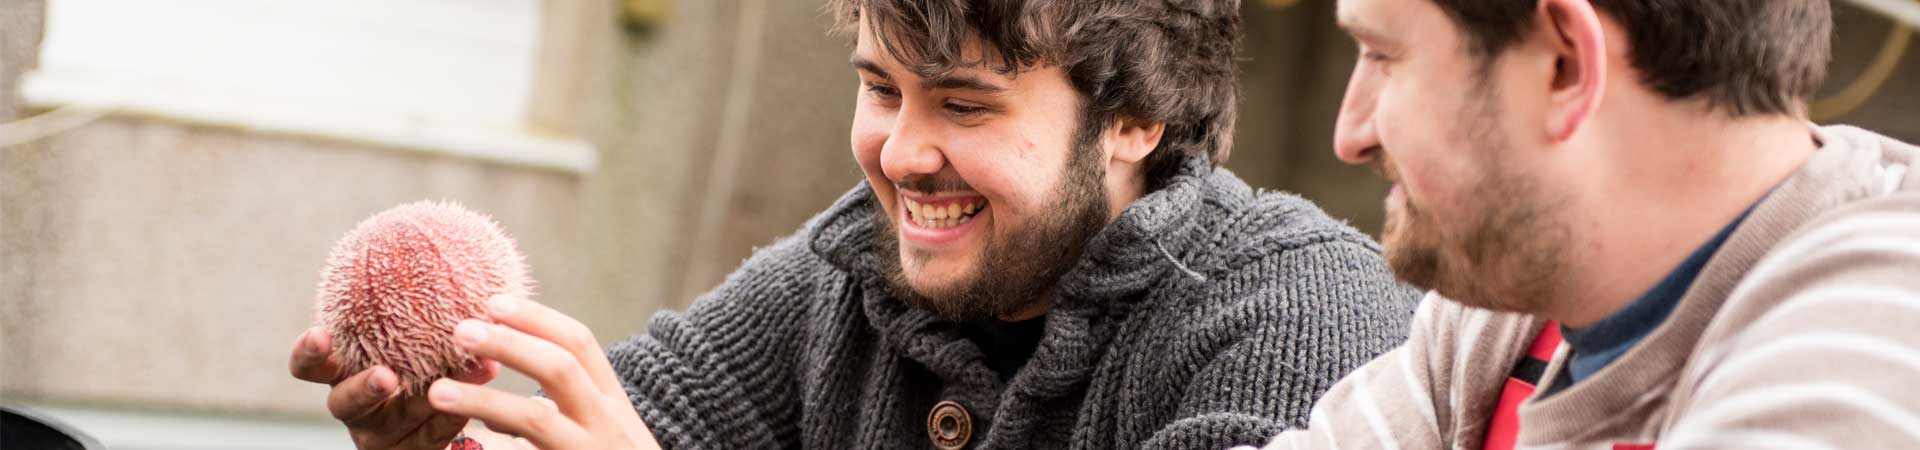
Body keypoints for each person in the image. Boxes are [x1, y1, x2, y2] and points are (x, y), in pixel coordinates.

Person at [290, 1, 1422, 449]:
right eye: (883, 89)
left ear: (1136, 118)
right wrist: (452, 434)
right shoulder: (838, 280)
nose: (901, 151)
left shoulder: (1300, 318)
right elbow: (625, 425)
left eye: (964, 103)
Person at [1237, 0, 1920, 448]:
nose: (1350, 133)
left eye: (1384, 55)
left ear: (1566, 64)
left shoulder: (1877, 339)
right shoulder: (1503, 317)